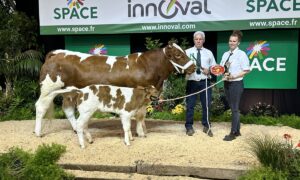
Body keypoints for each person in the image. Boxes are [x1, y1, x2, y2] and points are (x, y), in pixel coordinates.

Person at [220, 30, 250, 141]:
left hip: (236, 84)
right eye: (230, 41)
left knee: (234, 108)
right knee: (233, 108)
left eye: (234, 41)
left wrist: (234, 76)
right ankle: (237, 131)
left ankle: (233, 133)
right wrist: (221, 72)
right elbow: (222, 68)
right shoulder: (225, 54)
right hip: (226, 83)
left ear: (238, 43)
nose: (232, 43)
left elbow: (246, 70)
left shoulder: (241, 54)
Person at [185, 31, 216, 137]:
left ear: (203, 40)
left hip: (205, 82)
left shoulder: (209, 52)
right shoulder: (187, 52)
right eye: (196, 39)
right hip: (192, 82)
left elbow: (214, 66)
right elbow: (182, 67)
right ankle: (189, 127)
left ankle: (207, 126)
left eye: (200, 39)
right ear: (194, 40)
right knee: (190, 105)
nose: (198, 41)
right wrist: (186, 71)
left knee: (206, 105)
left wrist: (210, 70)